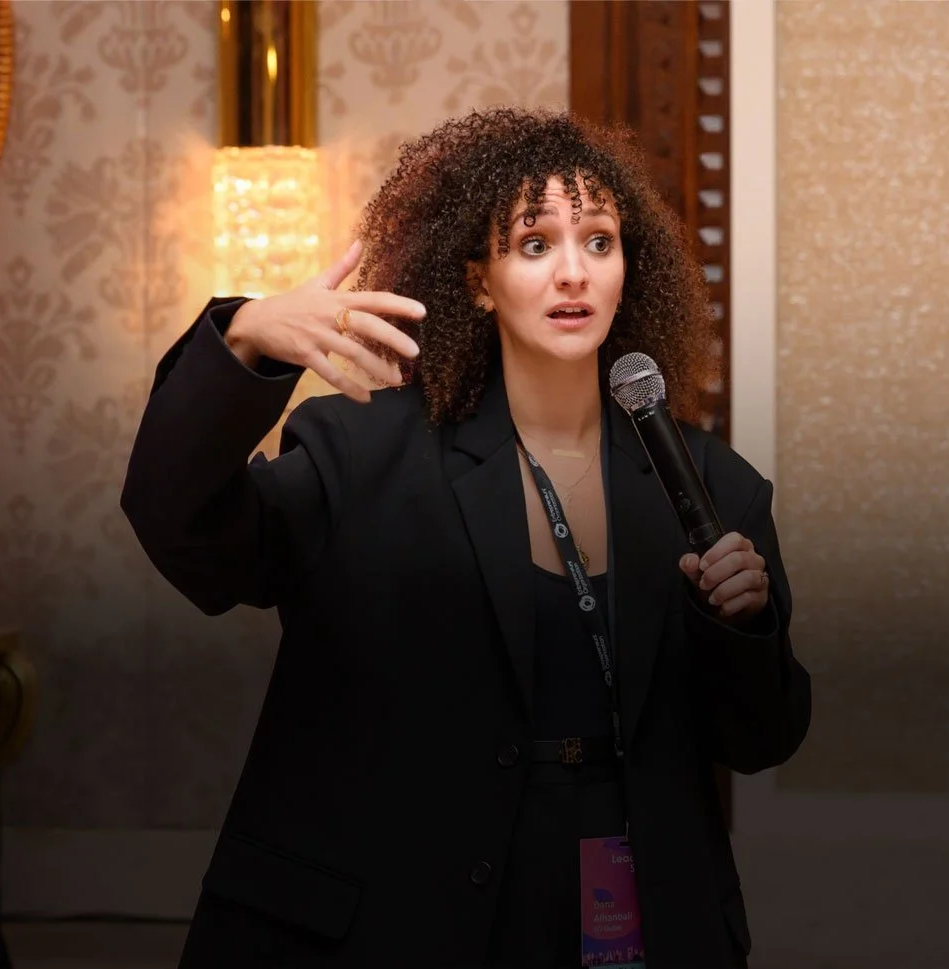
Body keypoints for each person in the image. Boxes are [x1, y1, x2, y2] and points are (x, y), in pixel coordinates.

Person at [122, 107, 810, 969]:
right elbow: (184, 531)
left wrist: (742, 625)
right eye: (534, 244)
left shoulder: (713, 487)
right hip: (403, 914)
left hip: (628, 922)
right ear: (479, 279)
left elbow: (763, 737)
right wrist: (244, 337)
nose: (573, 273)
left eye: (599, 241)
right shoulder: (363, 451)